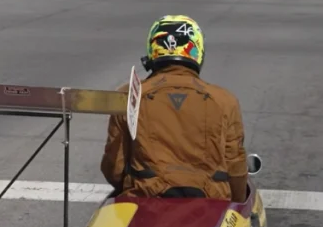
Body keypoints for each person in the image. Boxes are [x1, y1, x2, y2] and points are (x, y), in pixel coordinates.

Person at [101, 15, 248, 202]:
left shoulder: (129, 95)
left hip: (145, 203)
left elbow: (114, 167)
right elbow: (235, 167)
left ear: (153, 49)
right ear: (197, 50)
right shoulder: (224, 100)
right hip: (210, 206)